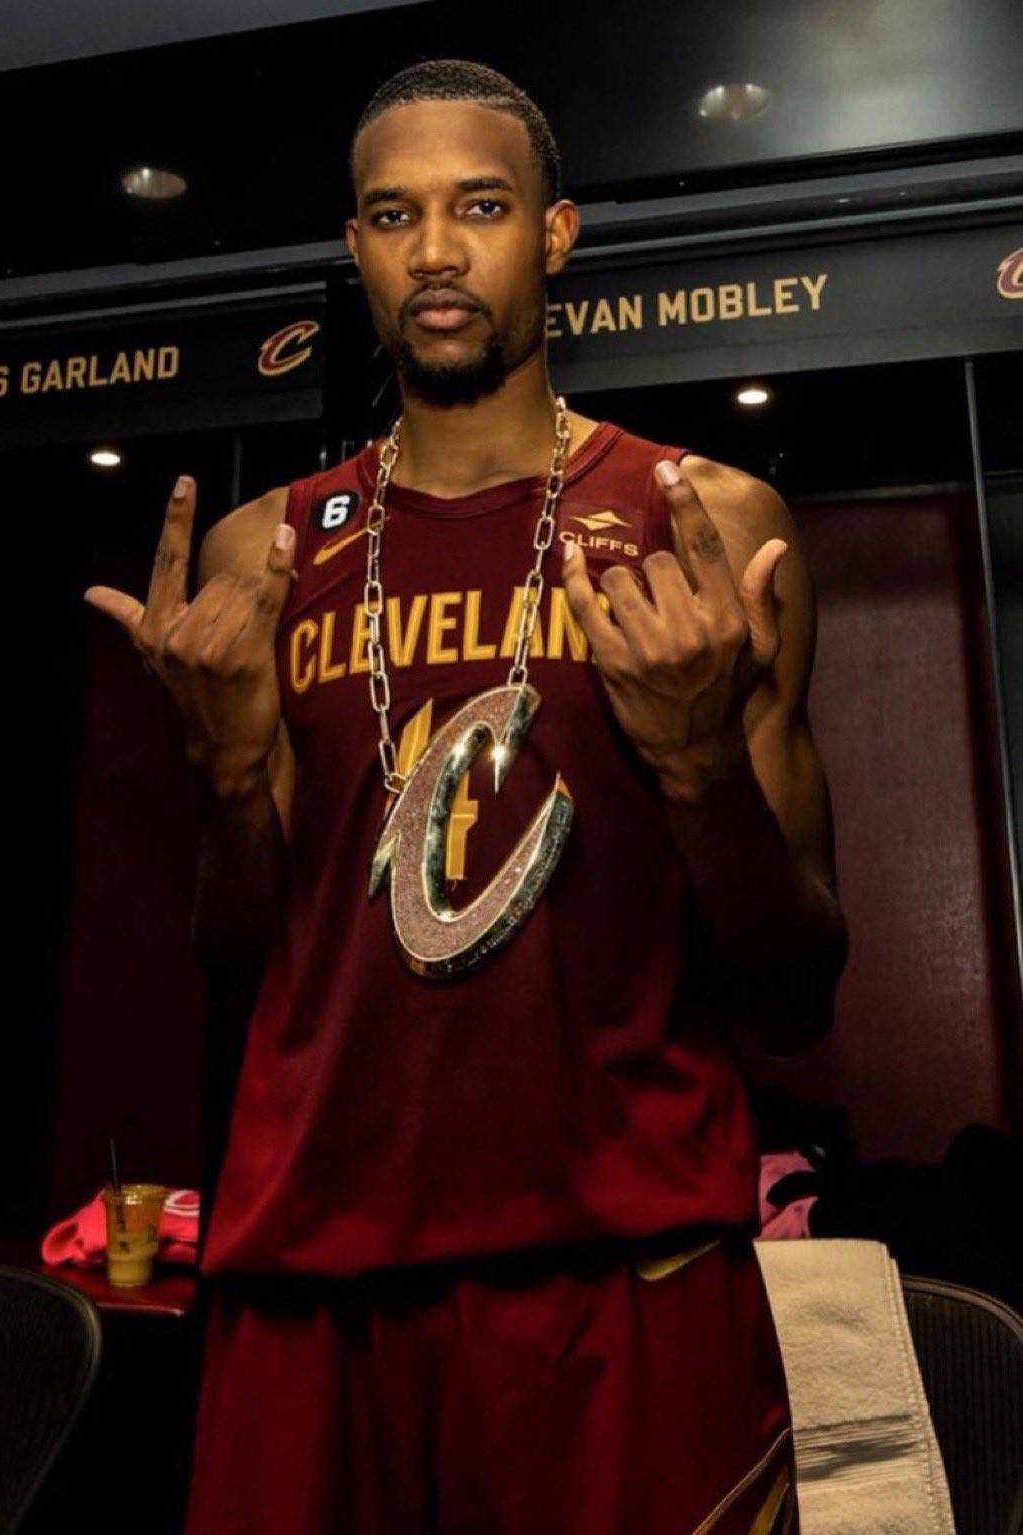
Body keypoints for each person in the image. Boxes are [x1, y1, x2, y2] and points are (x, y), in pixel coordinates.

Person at [85, 57, 848, 1535]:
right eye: (393, 216)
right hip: (314, 1279)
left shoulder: (706, 524)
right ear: (357, 249)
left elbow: (800, 986)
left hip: (620, 1273)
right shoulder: (265, 554)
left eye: (480, 208)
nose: (435, 251)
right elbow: (238, 956)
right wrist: (229, 777)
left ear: (555, 235)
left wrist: (697, 767)